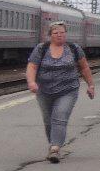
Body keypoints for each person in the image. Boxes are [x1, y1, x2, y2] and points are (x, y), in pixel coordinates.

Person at [26, 22, 95, 163]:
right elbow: (32, 67)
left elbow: (84, 68)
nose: (59, 35)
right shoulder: (41, 48)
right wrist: (31, 82)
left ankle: (55, 149)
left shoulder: (74, 48)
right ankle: (53, 143)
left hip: (68, 90)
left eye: (62, 32)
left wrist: (91, 85)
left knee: (60, 116)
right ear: (50, 35)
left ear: (66, 33)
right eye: (56, 33)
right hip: (44, 91)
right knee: (48, 120)